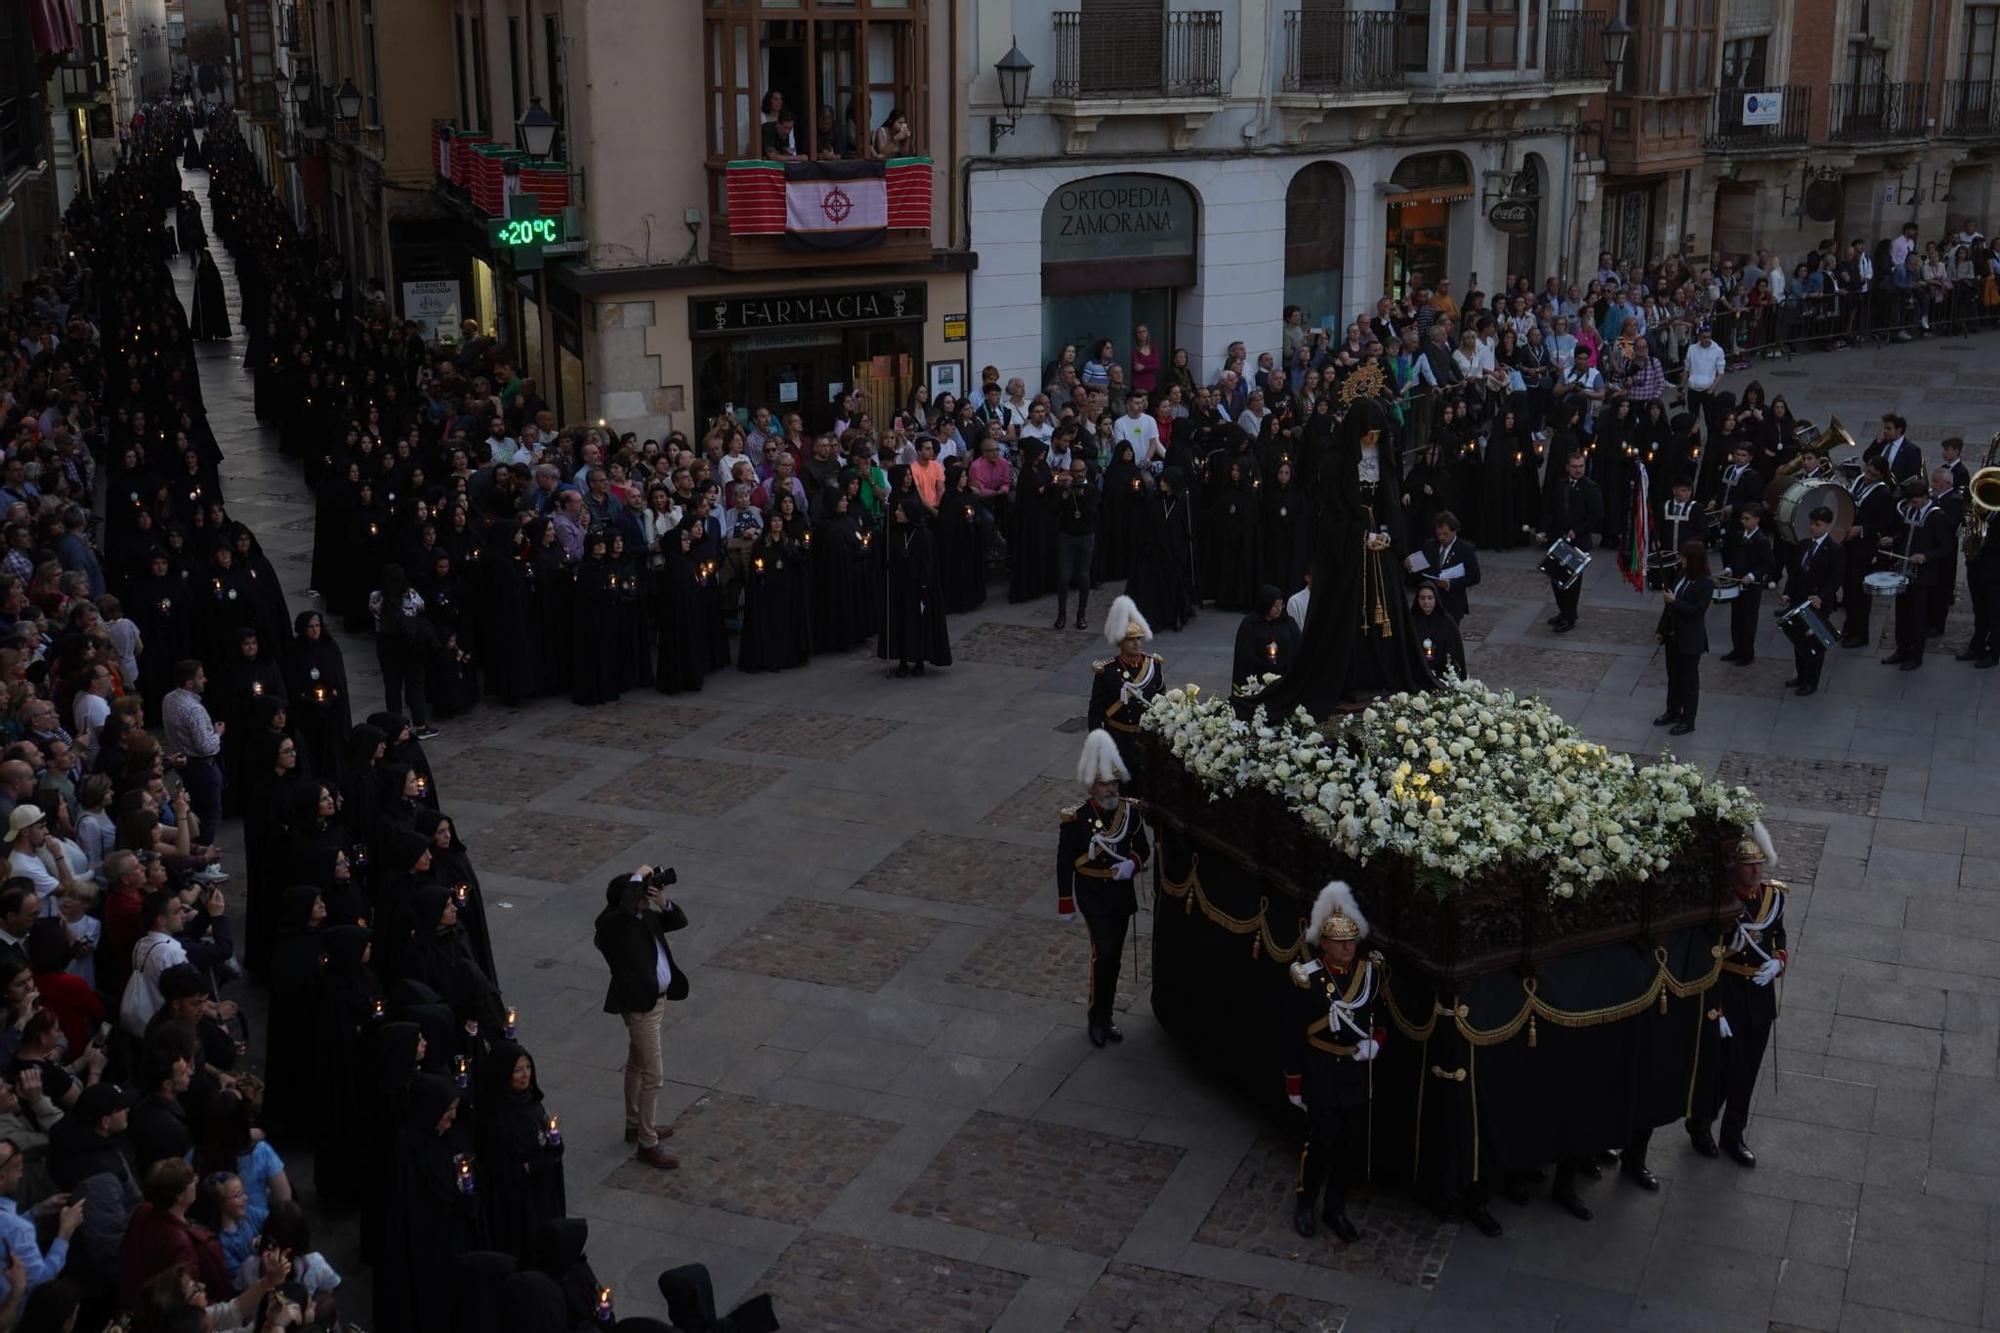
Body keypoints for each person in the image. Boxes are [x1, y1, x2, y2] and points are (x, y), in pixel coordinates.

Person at [1282, 881, 1381, 1243]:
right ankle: (1305, 1203)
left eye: (1352, 942)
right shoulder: (1307, 979)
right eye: (1340, 943)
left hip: (1355, 1070)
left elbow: (1377, 1019)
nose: (1348, 948)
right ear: (1324, 944)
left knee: (1349, 1148)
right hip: (1320, 1070)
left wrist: (1375, 1044)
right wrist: (1294, 1083)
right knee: (1321, 1143)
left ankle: (1335, 1208)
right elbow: (1292, 1035)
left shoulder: (1368, 974)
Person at [1687, 822, 1787, 1168]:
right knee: (1719, 1070)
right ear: (1736, 868)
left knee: (1747, 1071)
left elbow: (1778, 937)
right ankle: (1700, 1125)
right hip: (1726, 992)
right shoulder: (1723, 902)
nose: (1756, 870)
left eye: (1760, 864)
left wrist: (1778, 962)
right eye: (1749, 865)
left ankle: (1734, 1134)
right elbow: (1709, 953)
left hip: (1759, 994)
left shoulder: (1773, 896)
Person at [1055, 731, 1150, 1050]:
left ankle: (1106, 1016)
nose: (1110, 789)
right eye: (1104, 783)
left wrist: (1132, 865)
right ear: (1091, 786)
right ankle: (1095, 1018)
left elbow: (1143, 848)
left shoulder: (1129, 812)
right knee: (1104, 952)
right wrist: (1065, 901)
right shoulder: (1077, 819)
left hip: (1120, 894)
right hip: (1092, 892)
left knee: (1115, 957)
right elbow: (1065, 861)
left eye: (1114, 783)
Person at [591, 868, 688, 1170]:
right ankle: (647, 1143)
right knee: (654, 1077)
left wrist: (663, 901)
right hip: (640, 1007)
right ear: (627, 899)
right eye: (639, 893)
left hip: (656, 1002)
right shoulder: (611, 926)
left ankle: (636, 1124)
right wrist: (636, 880)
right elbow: (620, 915)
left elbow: (677, 921)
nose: (643, 898)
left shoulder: (644, 916)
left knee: (636, 1063)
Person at [1087, 597, 1165, 796]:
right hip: (1119, 739)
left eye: (1139, 638)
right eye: (1131, 639)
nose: (1137, 643)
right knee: (1124, 788)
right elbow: (1096, 712)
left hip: (1145, 737)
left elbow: (1161, 702)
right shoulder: (1107, 671)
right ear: (1120, 641)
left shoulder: (1153, 665)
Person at [0, 1135, 84, 1305]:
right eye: (18, 1169)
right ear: (1, 1177)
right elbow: (40, 1282)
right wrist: (64, 1233)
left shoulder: (13, 1226)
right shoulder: (19, 1229)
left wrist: (36, 1211)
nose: (21, 1174)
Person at [1886, 479, 1952, 671]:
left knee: (1917, 616)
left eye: (1914, 502)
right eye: (1910, 502)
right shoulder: (1910, 510)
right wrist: (1893, 539)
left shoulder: (1936, 516)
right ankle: (1901, 649)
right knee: (1902, 613)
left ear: (1924, 498)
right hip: (1904, 570)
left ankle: (1916, 655)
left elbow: (1946, 547)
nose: (1911, 505)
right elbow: (1904, 534)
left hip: (1922, 575)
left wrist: (1925, 556)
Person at [1778, 506, 1844, 696]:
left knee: (1814, 642)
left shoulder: (1834, 549)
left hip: (1818, 603)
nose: (1812, 527)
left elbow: (1835, 579)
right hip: (1799, 598)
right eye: (1812, 523)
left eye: (1817, 524)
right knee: (1799, 639)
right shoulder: (1804, 544)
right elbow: (1795, 573)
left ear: (1827, 526)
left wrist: (1820, 596)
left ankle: (1811, 681)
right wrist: (1788, 593)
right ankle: (1801, 675)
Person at [161, 660, 225, 848]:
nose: (205, 680)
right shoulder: (194, 709)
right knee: (209, 815)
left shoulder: (169, 699)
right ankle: (204, 857)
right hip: (203, 766)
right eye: (200, 677)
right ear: (189, 683)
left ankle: (195, 852)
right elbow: (206, 747)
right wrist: (218, 734)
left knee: (194, 811)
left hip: (184, 764)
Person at [1539, 452, 1603, 634]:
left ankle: (1570, 616)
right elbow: (1551, 510)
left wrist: (1579, 530)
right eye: (1574, 466)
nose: (1578, 470)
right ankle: (1563, 611)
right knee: (1555, 578)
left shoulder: (1591, 488)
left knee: (1572, 582)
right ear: (1567, 467)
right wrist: (1544, 530)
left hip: (1578, 542)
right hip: (1558, 538)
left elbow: (1597, 515)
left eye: (1581, 466)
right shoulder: (1560, 485)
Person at [1655, 538, 1714, 735]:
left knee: (1688, 681)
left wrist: (1675, 602)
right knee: (1673, 677)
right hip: (1673, 635)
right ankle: (1672, 710)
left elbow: (1697, 611)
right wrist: (1661, 630)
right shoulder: (1680, 575)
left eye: (1684, 557)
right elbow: (1668, 608)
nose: (1681, 560)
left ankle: (1688, 720)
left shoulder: (1705, 583)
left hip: (1690, 639)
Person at [1717, 504, 1775, 666]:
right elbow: (1734, 557)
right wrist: (1728, 569)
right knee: (1736, 618)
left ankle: (1747, 653)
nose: (1744, 522)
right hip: (1737, 584)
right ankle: (1737, 649)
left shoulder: (1761, 541)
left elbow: (1768, 564)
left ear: (1757, 520)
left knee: (1748, 620)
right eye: (1742, 518)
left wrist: (1751, 575)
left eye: (1747, 519)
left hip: (1752, 588)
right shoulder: (1738, 536)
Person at [1051, 457, 1098, 630]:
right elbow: (1054, 511)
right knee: (1064, 576)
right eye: (1075, 471)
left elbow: (1092, 513)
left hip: (1086, 536)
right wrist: (1064, 497)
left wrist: (1082, 498)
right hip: (1067, 537)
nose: (1078, 474)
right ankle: (1061, 614)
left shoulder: (1091, 489)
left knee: (1084, 577)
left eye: (1081, 471)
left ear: (1085, 471)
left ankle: (1081, 615)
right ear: (1071, 472)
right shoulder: (1065, 489)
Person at [1409, 511, 1480, 622]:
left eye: (1445, 534)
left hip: (1453, 603)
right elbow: (1418, 572)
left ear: (1455, 531)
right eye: (1438, 534)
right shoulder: (1429, 545)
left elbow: (1474, 577)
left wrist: (1450, 584)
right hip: (1430, 602)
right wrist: (1411, 566)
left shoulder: (1466, 549)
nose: (1441, 537)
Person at [1230, 587, 1300, 686]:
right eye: (1275, 606)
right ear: (1266, 605)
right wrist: (1266, 665)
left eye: (1281, 605)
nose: (1279, 609)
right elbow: (1245, 654)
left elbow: (1298, 645)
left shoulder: (1288, 622)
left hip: (1284, 674)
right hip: (1257, 675)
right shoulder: (1250, 624)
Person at [1962, 485, 2000, 669]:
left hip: (1994, 572)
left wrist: (1983, 544)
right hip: (1977, 567)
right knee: (1979, 610)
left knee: (1994, 614)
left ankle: (1993, 653)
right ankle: (1977, 646)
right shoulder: (1989, 509)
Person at [1409, 583, 1466, 682]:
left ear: (1436, 599)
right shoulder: (1410, 621)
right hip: (1417, 673)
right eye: (1422, 598)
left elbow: (1455, 651)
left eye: (1430, 598)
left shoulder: (1447, 622)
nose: (1426, 602)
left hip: (1442, 673)